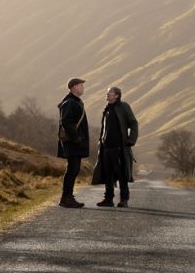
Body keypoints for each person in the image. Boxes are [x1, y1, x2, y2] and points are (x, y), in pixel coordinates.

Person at [92, 86, 138, 208]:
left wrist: (131, 140)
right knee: (108, 174)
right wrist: (100, 142)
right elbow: (104, 128)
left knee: (122, 174)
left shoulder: (124, 107)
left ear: (116, 95)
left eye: (109, 93)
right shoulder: (107, 108)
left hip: (119, 148)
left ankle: (124, 200)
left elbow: (133, 123)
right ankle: (108, 199)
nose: (107, 95)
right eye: (107, 93)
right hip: (106, 148)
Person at [57, 77, 90, 208]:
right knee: (72, 169)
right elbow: (66, 121)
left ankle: (67, 197)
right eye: (81, 85)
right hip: (72, 142)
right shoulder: (70, 102)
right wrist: (76, 138)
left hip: (74, 142)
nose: (83, 88)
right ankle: (66, 198)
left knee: (73, 169)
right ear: (74, 87)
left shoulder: (74, 101)